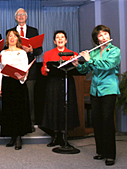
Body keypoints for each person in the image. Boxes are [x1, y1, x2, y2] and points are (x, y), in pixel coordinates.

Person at [72, 25, 120, 166]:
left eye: (106, 34)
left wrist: (89, 59)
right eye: (101, 35)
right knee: (97, 121)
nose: (104, 37)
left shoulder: (115, 51)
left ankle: (110, 155)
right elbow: (85, 69)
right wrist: (77, 65)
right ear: (96, 39)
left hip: (109, 90)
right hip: (95, 90)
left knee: (107, 121)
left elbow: (108, 65)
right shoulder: (93, 53)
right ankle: (101, 152)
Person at [40, 30, 80, 147]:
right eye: (57, 37)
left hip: (67, 83)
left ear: (66, 40)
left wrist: (77, 64)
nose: (60, 39)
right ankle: (55, 136)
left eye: (62, 37)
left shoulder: (73, 54)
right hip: (53, 84)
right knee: (53, 108)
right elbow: (43, 69)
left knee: (66, 108)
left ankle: (64, 136)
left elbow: (78, 68)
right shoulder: (48, 53)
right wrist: (45, 70)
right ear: (54, 41)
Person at [6, 8, 43, 129]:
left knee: (30, 97)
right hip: (13, 70)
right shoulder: (10, 31)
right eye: (18, 15)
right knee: (14, 98)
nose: (21, 16)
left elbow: (39, 50)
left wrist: (31, 50)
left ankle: (31, 123)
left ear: (26, 17)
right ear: (15, 17)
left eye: (23, 14)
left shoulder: (33, 30)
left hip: (30, 69)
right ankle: (14, 124)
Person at [0, 30, 32, 150]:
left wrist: (22, 77)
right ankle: (11, 136)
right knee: (8, 110)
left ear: (18, 38)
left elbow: (25, 68)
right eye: (9, 36)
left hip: (18, 83)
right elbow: (0, 70)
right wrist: (0, 86)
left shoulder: (22, 52)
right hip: (7, 83)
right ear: (7, 39)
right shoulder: (3, 52)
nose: (12, 38)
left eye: (14, 36)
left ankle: (18, 137)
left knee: (19, 110)